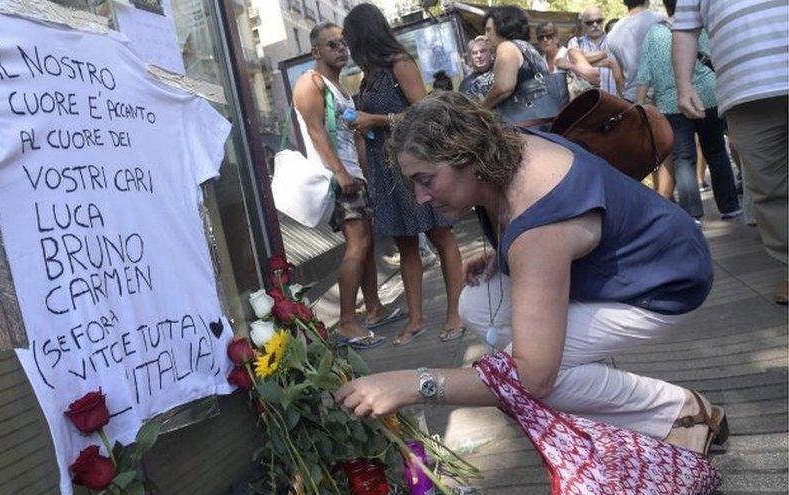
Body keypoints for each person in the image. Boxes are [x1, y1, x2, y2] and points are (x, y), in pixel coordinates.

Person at [336, 92, 726, 458]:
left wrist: (411, 384)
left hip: (667, 282)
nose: (421, 198)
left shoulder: (537, 229)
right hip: (634, 256)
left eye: (426, 180)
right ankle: (584, 392)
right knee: (478, 305)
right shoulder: (504, 146)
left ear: (467, 157)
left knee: (533, 379)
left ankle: (680, 412)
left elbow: (531, 375)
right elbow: (537, 228)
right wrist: (506, 257)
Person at [342, 3, 465, 346]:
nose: (348, 47)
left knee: (441, 236)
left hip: (416, 163)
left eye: (349, 39)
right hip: (385, 170)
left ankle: (456, 312)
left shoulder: (399, 63)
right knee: (406, 243)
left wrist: (377, 120)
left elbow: (424, 112)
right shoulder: (367, 76)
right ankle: (416, 319)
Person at [673, 0, 788, 303]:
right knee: (768, 188)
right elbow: (685, 27)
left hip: (747, 87)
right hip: (744, 90)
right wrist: (683, 85)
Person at [292, 22, 395, 348]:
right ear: (316, 51)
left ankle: (374, 307)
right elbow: (315, 131)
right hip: (339, 177)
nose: (341, 49)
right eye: (332, 44)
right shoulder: (311, 82)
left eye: (343, 44)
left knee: (365, 245)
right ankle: (348, 322)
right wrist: (341, 173)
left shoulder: (339, 88)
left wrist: (361, 173)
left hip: (354, 176)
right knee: (357, 246)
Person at [635, 0, 741, 222]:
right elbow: (716, 56)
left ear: (665, 6)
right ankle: (729, 207)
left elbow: (644, 73)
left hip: (671, 102)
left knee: (683, 159)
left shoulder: (654, 34)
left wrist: (639, 104)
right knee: (716, 151)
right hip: (706, 97)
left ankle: (693, 214)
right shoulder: (697, 28)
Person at [480, 5, 562, 124]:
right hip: (545, 120)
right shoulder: (526, 47)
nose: (485, 37)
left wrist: (482, 107)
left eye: (488, 30)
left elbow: (503, 88)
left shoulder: (506, 47)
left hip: (527, 126)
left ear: (503, 27)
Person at [606, 0, 665, 102]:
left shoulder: (612, 34)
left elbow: (618, 78)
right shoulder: (662, 21)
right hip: (663, 95)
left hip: (632, 97)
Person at [566, 6, 623, 95]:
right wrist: (607, 57)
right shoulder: (575, 42)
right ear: (583, 25)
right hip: (586, 103)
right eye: (590, 23)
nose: (595, 25)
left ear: (603, 21)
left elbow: (622, 68)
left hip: (612, 102)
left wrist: (583, 60)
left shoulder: (615, 41)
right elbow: (574, 60)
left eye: (598, 21)